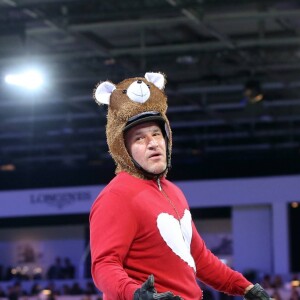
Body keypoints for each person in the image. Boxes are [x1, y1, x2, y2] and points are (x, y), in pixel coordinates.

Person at [89, 72, 271, 300]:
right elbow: (104, 265)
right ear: (123, 150)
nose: (153, 143)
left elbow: (199, 257)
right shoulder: (116, 196)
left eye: (157, 133)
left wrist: (245, 288)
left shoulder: (173, 191)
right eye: (139, 138)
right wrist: (136, 294)